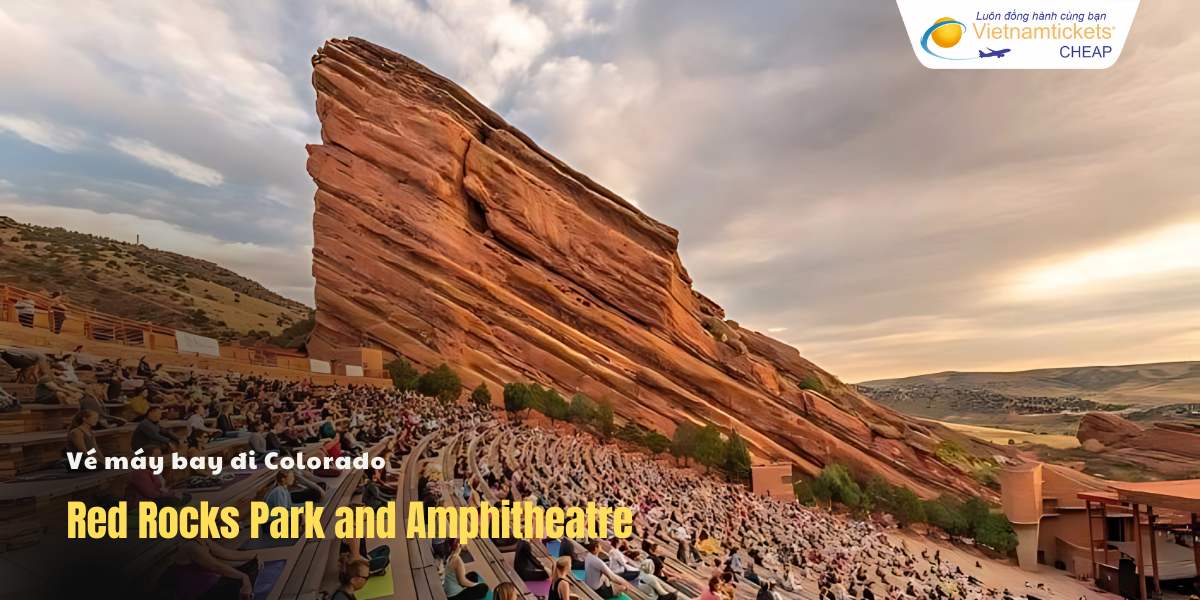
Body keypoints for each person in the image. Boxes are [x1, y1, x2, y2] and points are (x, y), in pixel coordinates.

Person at [162, 539, 260, 600]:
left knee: (251, 564)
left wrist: (254, 556)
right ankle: (245, 593)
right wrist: (244, 577)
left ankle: (246, 592)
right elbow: (217, 567)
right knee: (241, 579)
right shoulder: (191, 547)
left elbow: (228, 554)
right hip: (198, 592)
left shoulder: (203, 540)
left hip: (211, 581)